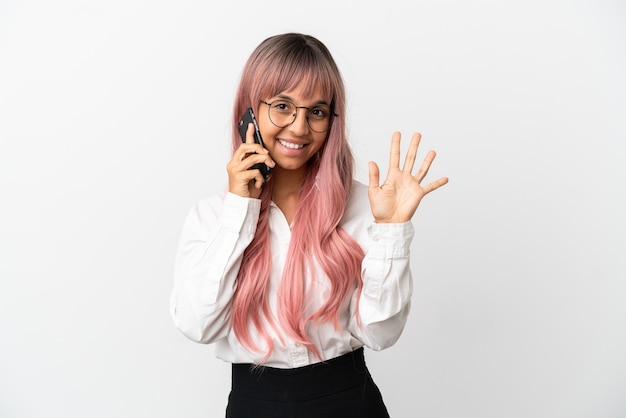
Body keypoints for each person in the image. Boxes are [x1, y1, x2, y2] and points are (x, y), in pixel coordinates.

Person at [170, 32, 448, 418]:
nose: (299, 128)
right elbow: (197, 325)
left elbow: (381, 335)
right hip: (256, 406)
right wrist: (240, 208)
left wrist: (391, 233)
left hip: (349, 402)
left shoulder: (365, 207)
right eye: (283, 106)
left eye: (316, 112)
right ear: (250, 110)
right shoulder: (213, 218)